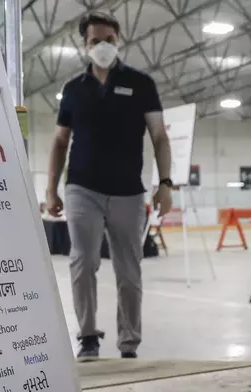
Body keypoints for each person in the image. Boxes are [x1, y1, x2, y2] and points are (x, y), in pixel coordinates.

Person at [45, 12, 172, 361]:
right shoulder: (73, 90)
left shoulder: (141, 84)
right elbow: (59, 142)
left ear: (120, 41)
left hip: (129, 191)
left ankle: (129, 343)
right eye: (95, 41)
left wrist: (165, 183)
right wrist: (51, 189)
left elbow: (160, 137)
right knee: (83, 261)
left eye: (109, 40)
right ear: (84, 45)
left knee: (129, 271)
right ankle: (88, 337)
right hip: (82, 188)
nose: (102, 46)